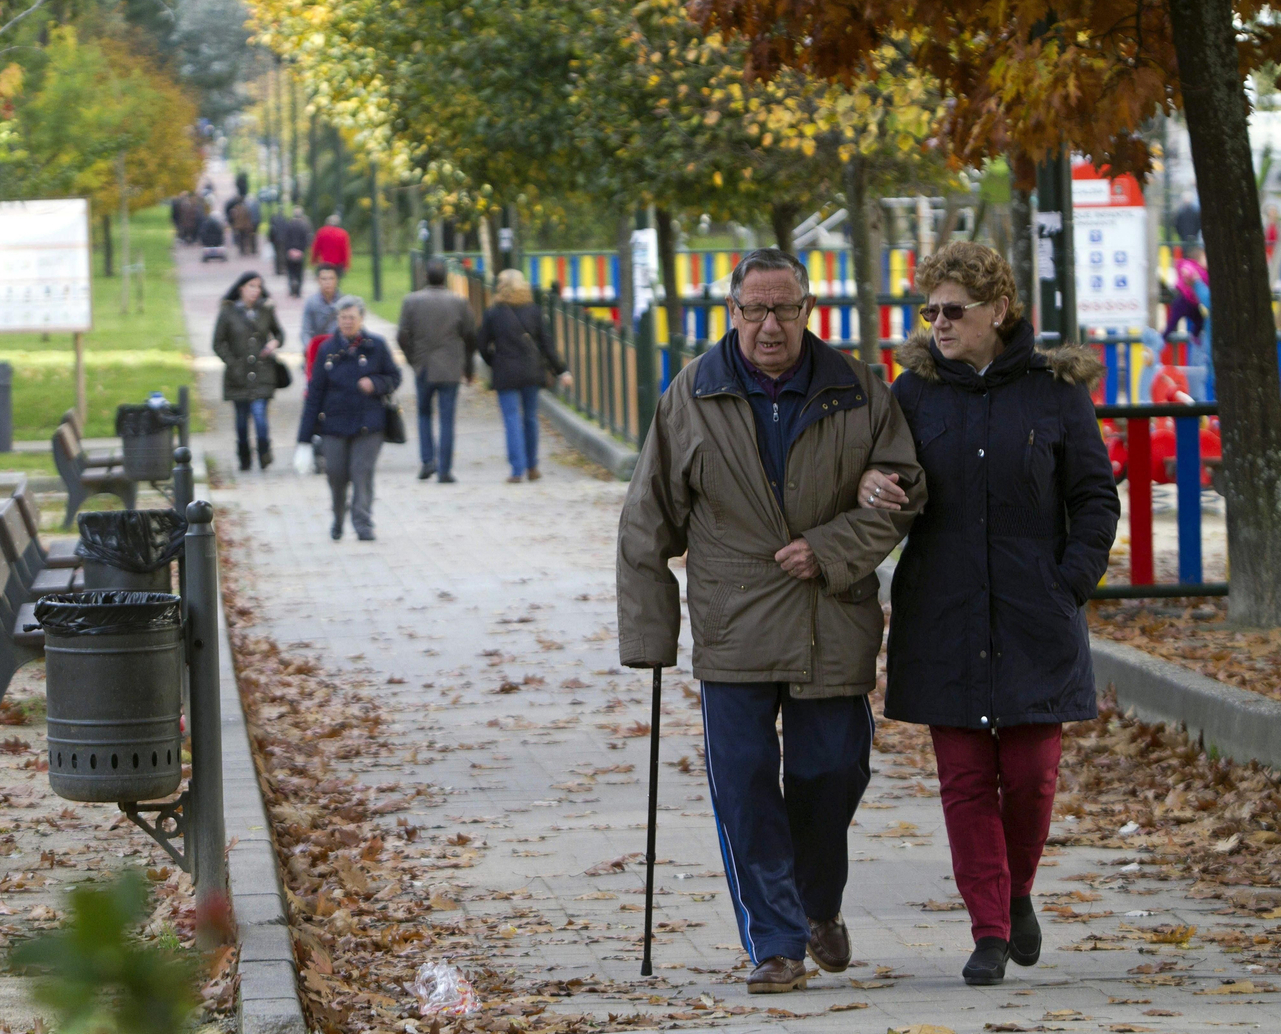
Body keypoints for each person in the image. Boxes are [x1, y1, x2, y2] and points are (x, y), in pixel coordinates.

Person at [618, 248, 924, 995]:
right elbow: (645, 522)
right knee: (746, 788)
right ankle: (778, 943)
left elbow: (905, 493)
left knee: (831, 772)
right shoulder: (690, 395)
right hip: (734, 626)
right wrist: (650, 636)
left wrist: (829, 549)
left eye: (785, 308)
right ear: (731, 312)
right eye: (754, 309)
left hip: (831, 619)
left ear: (808, 309)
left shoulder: (858, 389)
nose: (770, 325)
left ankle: (817, 903)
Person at [859, 241, 1119, 987]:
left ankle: (1016, 890)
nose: (938, 324)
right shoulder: (914, 393)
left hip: (1036, 610)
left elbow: (1095, 497)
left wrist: (1070, 579)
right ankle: (989, 931)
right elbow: (884, 474)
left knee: (1032, 775)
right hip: (944, 606)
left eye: (954, 311)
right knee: (965, 779)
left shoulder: (1054, 390)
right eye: (930, 310)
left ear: (998, 311)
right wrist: (875, 483)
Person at [297, 295, 400, 541]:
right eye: (342, 317)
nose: (346, 322)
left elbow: (394, 377)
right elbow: (315, 393)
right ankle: (338, 516)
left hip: (369, 423)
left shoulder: (376, 345)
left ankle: (363, 522)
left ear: (361, 319)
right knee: (336, 474)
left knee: (361, 471)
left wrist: (375, 383)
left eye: (351, 317)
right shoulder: (327, 349)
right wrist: (303, 439)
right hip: (334, 424)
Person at [478, 269, 571, 482]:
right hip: (531, 371)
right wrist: (561, 370)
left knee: (511, 419)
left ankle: (516, 470)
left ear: (500, 287)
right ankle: (532, 467)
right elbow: (547, 345)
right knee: (530, 418)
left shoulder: (494, 313)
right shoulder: (534, 311)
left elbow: (482, 344)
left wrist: (494, 362)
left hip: (506, 372)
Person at [397, 258, 476, 483]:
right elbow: (470, 337)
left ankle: (427, 460)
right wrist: (468, 367)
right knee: (447, 419)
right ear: (446, 278)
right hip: (450, 368)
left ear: (425, 277)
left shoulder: (411, 301)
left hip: (423, 366)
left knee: (423, 414)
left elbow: (402, 336)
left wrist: (413, 360)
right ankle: (445, 470)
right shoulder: (459, 302)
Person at [213, 271, 285, 471]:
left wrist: (273, 343)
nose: (256, 291)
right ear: (241, 288)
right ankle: (244, 456)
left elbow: (279, 333)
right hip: (238, 375)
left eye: (259, 287)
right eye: (251, 286)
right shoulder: (228, 312)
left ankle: (264, 452)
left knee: (260, 414)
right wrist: (232, 363)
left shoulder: (266, 310)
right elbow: (217, 343)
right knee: (242, 421)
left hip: (263, 373)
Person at [1166, 244, 1208, 340]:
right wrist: (1189, 274)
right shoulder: (1194, 266)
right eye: (1204, 257)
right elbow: (1187, 268)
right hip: (1185, 299)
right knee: (1172, 323)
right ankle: (1162, 339)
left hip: (1192, 302)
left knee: (1199, 322)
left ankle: (1195, 338)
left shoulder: (1204, 272)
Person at [301, 264, 343, 345]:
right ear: (318, 280)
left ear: (337, 280)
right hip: (318, 347)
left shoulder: (344, 302)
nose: (328, 282)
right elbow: (305, 331)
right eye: (324, 279)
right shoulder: (311, 303)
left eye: (331, 278)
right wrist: (310, 348)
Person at [281, 206, 314, 297]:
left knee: (290, 271)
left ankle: (292, 288)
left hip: (290, 251)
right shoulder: (304, 225)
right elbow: (306, 239)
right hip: (300, 252)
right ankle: (298, 290)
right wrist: (302, 250)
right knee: (299, 272)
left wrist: (288, 250)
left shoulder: (289, 224)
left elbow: (285, 238)